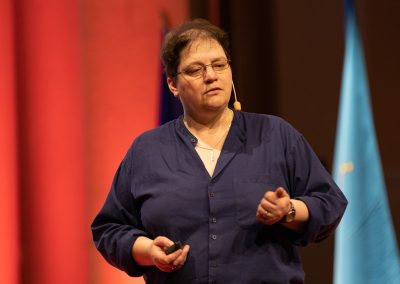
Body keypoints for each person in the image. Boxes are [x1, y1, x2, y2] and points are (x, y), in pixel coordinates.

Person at [91, 19, 347, 284]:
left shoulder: (275, 135)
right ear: (172, 85)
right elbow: (109, 229)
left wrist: (289, 210)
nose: (211, 76)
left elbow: (329, 202)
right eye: (195, 70)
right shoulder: (147, 151)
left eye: (219, 65)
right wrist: (148, 252)